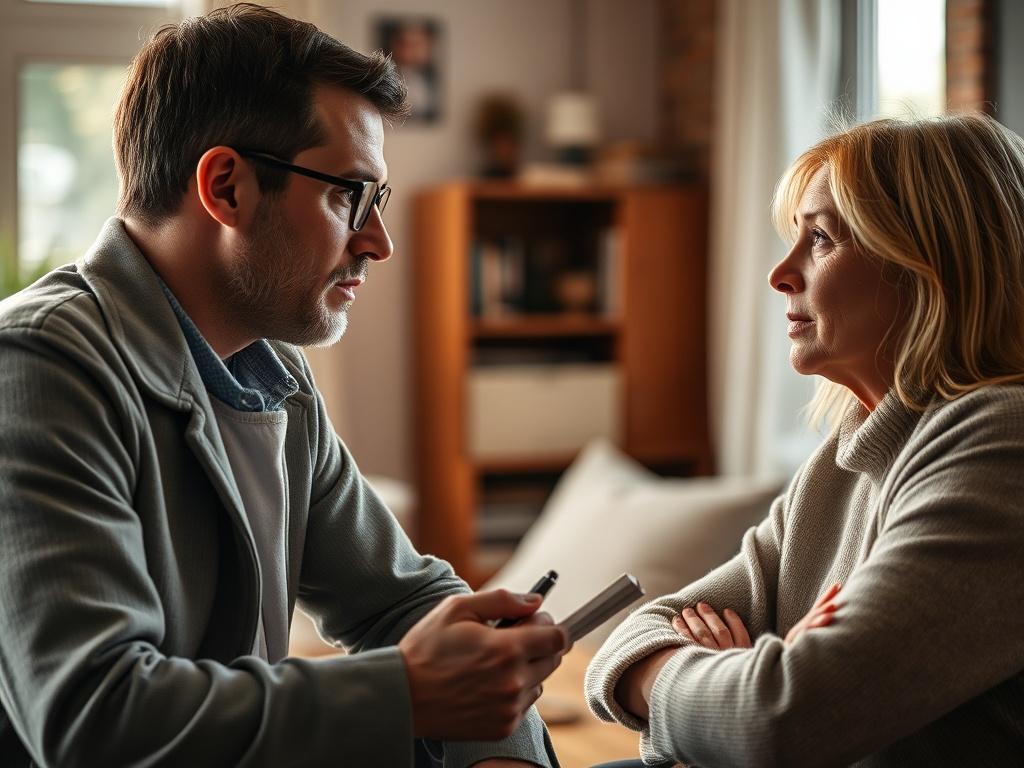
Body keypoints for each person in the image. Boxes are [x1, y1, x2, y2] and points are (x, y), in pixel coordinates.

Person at [0, 5, 569, 767]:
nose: (379, 241)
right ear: (227, 187)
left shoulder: (275, 375)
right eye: (348, 196)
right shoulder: (37, 369)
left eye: (378, 202)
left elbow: (407, 605)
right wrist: (403, 692)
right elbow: (93, 718)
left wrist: (504, 756)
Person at [585, 113, 1024, 767]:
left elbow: (778, 722)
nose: (781, 275)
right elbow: (630, 643)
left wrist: (747, 687)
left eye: (819, 239)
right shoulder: (847, 458)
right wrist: (748, 680)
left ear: (932, 264)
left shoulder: (1001, 444)